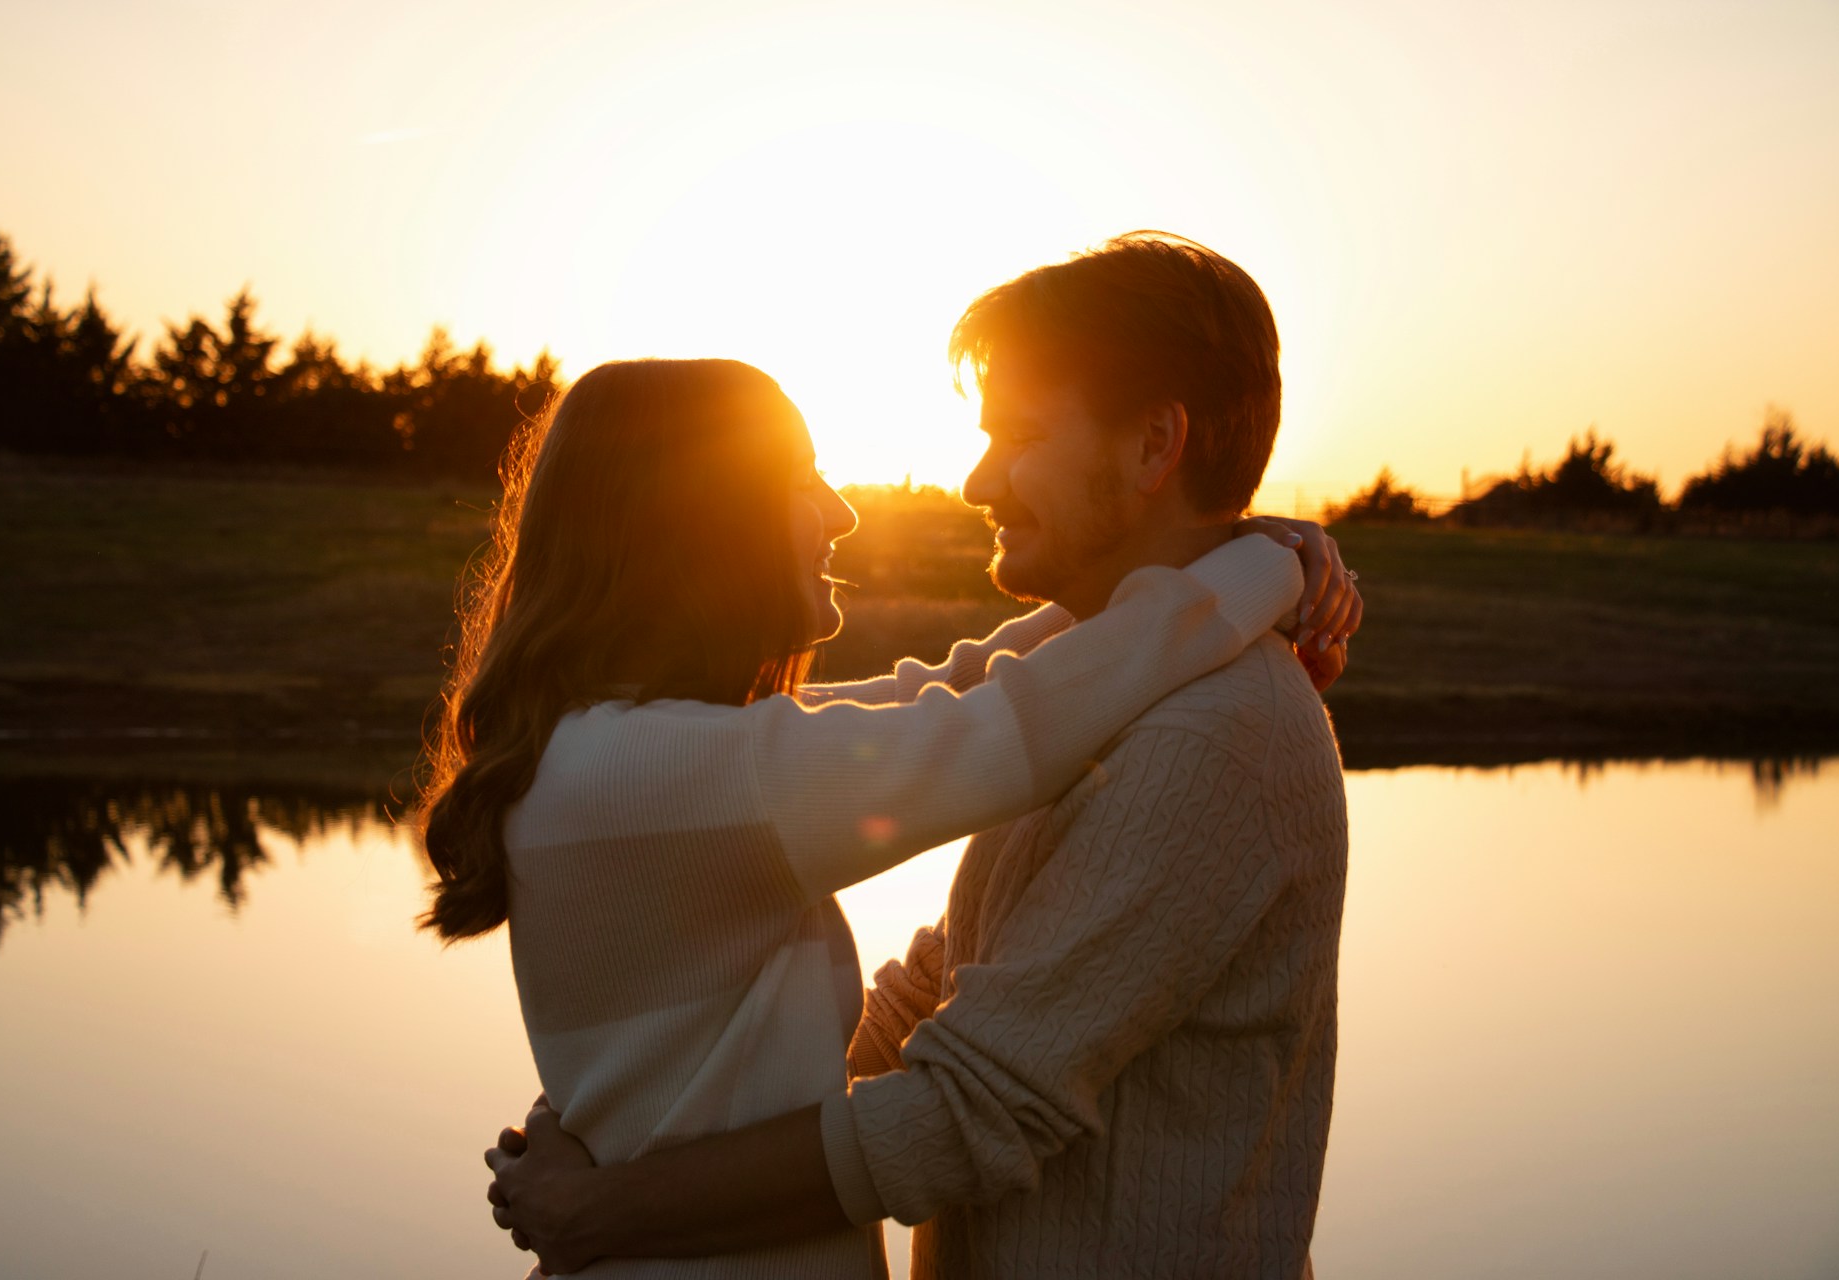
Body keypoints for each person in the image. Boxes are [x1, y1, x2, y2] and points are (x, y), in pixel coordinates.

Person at [485, 234, 1353, 1279]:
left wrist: (614, 1188)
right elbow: (969, 759)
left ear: (1153, 443)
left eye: (1020, 434)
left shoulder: (1209, 730)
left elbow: (966, 1101)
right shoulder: (696, 761)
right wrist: (1255, 567)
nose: (978, 479)